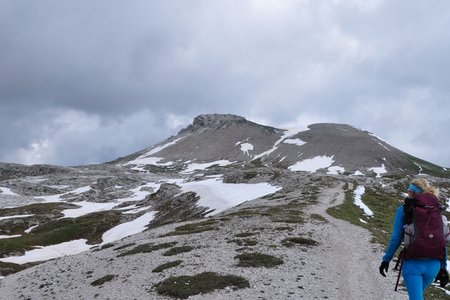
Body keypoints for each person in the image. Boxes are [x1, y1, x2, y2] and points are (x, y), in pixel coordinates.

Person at [379, 178, 449, 300]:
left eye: (409, 190)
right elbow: (441, 240)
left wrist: (386, 259)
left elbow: (396, 238)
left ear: (412, 192)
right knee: (417, 296)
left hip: (413, 263)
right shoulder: (436, 209)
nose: (408, 192)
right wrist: (443, 268)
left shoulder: (404, 210)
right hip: (434, 265)